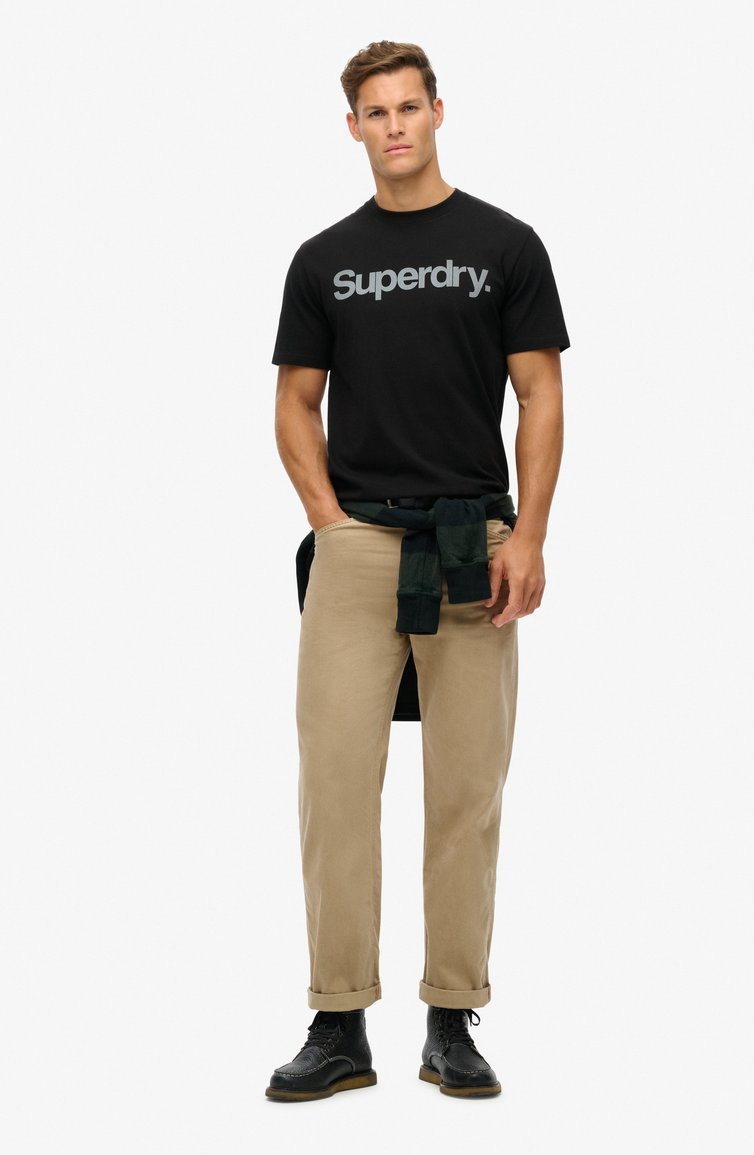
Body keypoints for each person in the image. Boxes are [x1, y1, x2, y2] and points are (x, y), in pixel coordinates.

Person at [265, 39, 570, 1102]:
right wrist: (331, 524)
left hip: (473, 547)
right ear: (352, 127)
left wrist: (528, 534)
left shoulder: (504, 245)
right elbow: (294, 402)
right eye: (374, 111)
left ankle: (451, 1019)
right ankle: (338, 1020)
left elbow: (540, 393)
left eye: (408, 106)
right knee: (335, 786)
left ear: (438, 111)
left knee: (466, 789)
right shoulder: (323, 260)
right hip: (356, 548)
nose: (393, 126)